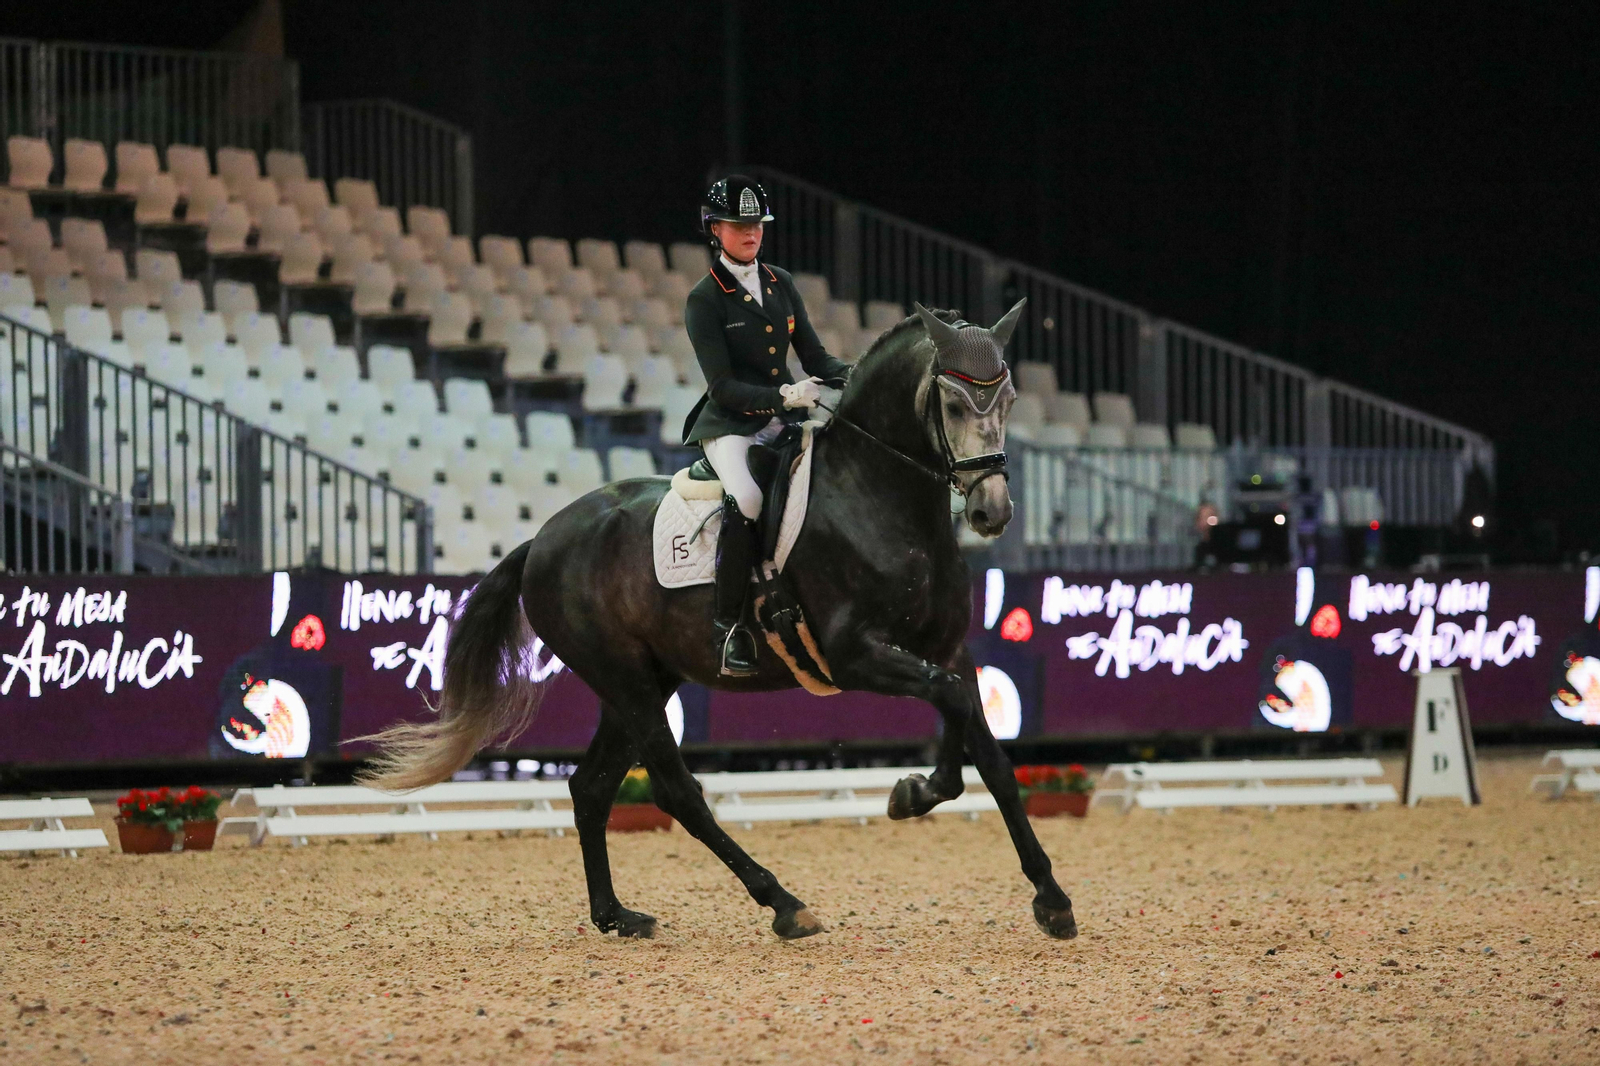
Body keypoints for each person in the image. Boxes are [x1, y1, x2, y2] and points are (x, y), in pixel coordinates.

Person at [681, 175, 852, 676]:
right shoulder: (704, 299)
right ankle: (727, 626)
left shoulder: (781, 282)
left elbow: (815, 356)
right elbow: (723, 387)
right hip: (731, 424)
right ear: (716, 230)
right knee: (750, 500)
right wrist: (782, 394)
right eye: (738, 225)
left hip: (784, 417)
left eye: (756, 223)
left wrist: (860, 374)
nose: (751, 232)